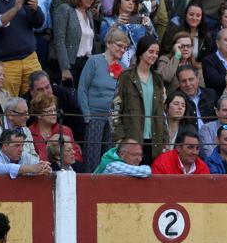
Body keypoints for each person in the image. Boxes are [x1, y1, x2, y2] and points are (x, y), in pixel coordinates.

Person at [77, 27, 129, 173]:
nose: (123, 50)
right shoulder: (94, 61)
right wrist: (86, 115)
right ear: (108, 43)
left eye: (125, 47)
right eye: (119, 45)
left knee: (109, 158)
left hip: (113, 119)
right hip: (94, 116)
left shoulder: (123, 68)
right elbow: (82, 89)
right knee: (92, 158)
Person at [112, 35, 168, 165]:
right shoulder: (126, 76)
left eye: (157, 53)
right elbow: (114, 108)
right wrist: (119, 138)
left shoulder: (158, 78)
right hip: (132, 139)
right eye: (151, 51)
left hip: (155, 139)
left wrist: (165, 140)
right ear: (141, 52)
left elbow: (161, 112)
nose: (154, 55)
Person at [99, 0, 157, 67]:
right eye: (127, 0)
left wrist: (149, 27)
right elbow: (103, 42)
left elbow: (154, 41)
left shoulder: (139, 19)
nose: (131, 3)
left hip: (138, 64)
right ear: (119, 2)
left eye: (133, 1)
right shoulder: (108, 21)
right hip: (114, 65)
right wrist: (116, 25)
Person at [23, 70, 86, 142]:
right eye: (40, 89)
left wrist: (77, 143)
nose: (45, 92)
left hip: (66, 142)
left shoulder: (63, 94)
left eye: (47, 87)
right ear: (31, 91)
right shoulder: (24, 104)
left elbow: (78, 118)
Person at [52, 0, 97, 88]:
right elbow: (59, 40)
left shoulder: (89, 13)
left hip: (87, 63)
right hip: (71, 63)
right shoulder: (65, 9)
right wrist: (65, 68)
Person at [28, 93, 83, 165]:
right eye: (50, 111)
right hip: (38, 172)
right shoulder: (29, 132)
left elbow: (77, 155)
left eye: (54, 110)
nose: (54, 113)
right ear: (38, 115)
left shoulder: (65, 130)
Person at [176, 65, 218, 130]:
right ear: (179, 83)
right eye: (183, 81)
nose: (188, 84)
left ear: (198, 79)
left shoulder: (211, 94)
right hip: (188, 137)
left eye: (191, 79)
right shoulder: (175, 98)